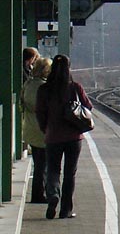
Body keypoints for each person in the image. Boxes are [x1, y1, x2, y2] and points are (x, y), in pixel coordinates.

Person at [36, 54, 93, 220]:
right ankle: (65, 210)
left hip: (53, 136)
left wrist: (45, 129)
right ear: (69, 68)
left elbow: (40, 112)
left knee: (53, 170)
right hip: (74, 137)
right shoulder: (75, 87)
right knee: (70, 173)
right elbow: (88, 106)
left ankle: (53, 195)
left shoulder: (44, 89)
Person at [20, 56, 52, 203]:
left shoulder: (28, 84)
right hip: (41, 130)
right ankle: (39, 194)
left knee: (39, 163)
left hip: (30, 128)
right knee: (42, 165)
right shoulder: (43, 87)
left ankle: (38, 193)